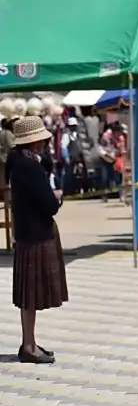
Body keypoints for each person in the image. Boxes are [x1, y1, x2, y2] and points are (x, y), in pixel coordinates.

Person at [8, 116, 67, 365]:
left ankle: (29, 341)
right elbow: (48, 204)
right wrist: (56, 197)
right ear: (34, 142)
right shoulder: (29, 167)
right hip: (35, 234)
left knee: (28, 295)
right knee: (31, 295)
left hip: (26, 233)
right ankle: (29, 346)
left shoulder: (19, 162)